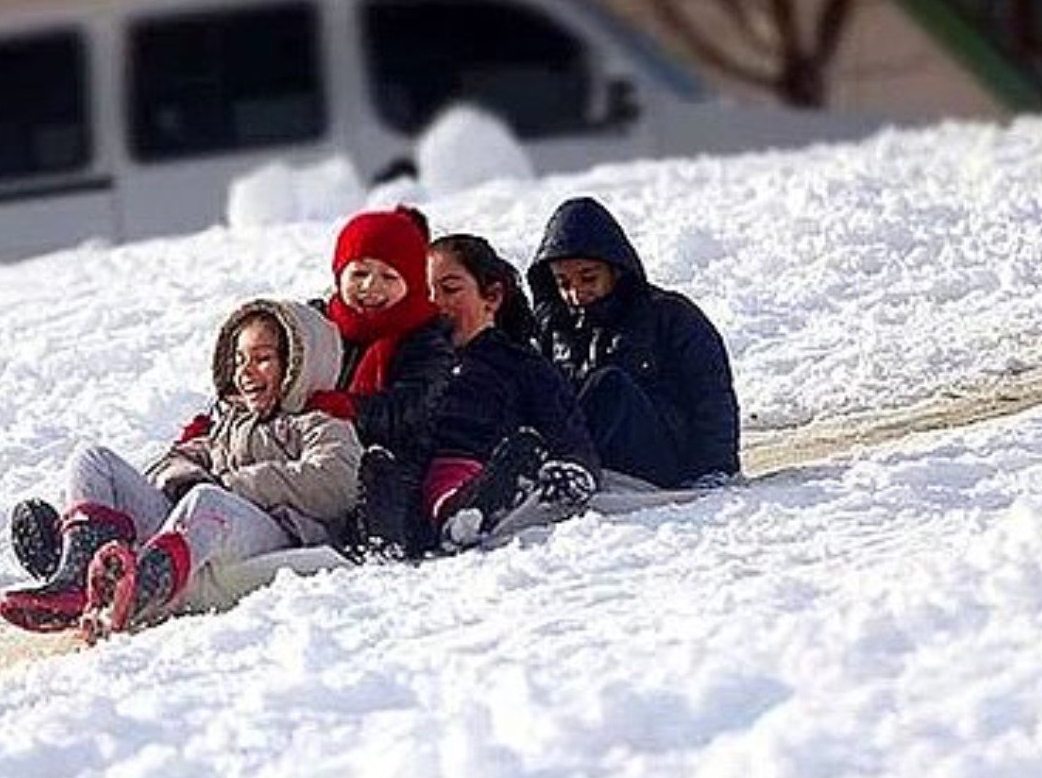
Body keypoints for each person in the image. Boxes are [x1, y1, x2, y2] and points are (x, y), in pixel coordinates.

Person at [0, 299, 362, 638]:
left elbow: (337, 480)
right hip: (200, 534)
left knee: (208, 500)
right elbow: (179, 460)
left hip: (277, 535)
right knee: (92, 459)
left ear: (299, 364)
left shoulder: (322, 420)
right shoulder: (234, 422)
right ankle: (76, 578)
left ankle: (136, 593)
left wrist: (235, 485)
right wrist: (182, 480)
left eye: (262, 358)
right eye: (239, 361)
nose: (246, 372)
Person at [526, 197, 740, 489]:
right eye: (563, 284)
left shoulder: (669, 316)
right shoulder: (552, 329)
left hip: (662, 457)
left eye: (588, 278)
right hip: (593, 455)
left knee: (609, 386)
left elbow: (711, 397)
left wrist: (714, 468)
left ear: (615, 270)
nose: (576, 293)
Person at [424, 233, 600, 547]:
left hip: (483, 474)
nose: (435, 303)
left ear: (491, 297)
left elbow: (568, 434)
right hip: (414, 488)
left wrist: (576, 470)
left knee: (525, 447)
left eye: (449, 289)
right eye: (424, 293)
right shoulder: (412, 363)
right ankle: (384, 542)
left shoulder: (522, 366)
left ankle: (469, 519)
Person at [311, 206, 455, 558]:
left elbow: (417, 401)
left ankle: (385, 537)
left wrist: (355, 409)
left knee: (385, 472)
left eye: (389, 277)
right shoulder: (316, 324)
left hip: (395, 451)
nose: (370, 287)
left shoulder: (424, 336)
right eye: (359, 273)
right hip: (317, 446)